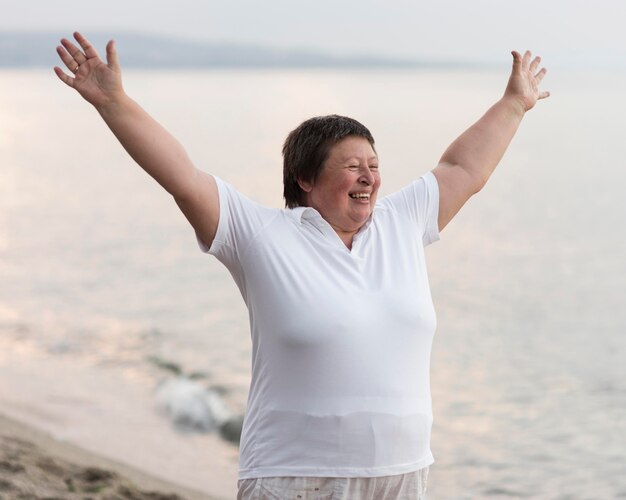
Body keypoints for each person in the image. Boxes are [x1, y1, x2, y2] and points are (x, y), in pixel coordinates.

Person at [54, 32, 549, 500]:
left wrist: (515, 103)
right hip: (293, 474)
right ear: (306, 178)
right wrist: (114, 103)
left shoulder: (402, 222)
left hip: (400, 472)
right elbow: (182, 178)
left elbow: (464, 168)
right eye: (352, 165)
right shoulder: (260, 235)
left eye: (374, 165)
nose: (369, 178)